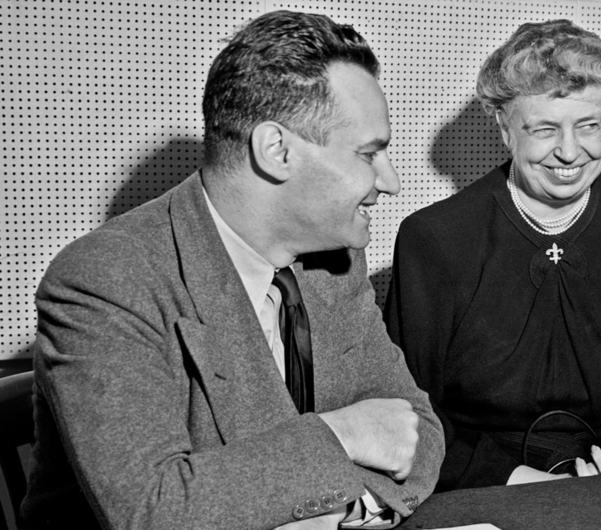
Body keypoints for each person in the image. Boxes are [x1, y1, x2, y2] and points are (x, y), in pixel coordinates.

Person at [21, 11, 443, 529]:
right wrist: (343, 436)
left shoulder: (333, 260)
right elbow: (153, 511)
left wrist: (352, 510)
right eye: (369, 153)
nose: (391, 181)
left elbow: (414, 432)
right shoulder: (105, 279)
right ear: (276, 150)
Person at [383, 19, 601, 491]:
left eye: (589, 126)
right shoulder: (435, 238)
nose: (570, 152)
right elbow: (411, 416)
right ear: (505, 128)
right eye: (544, 129)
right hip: (489, 485)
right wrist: (514, 479)